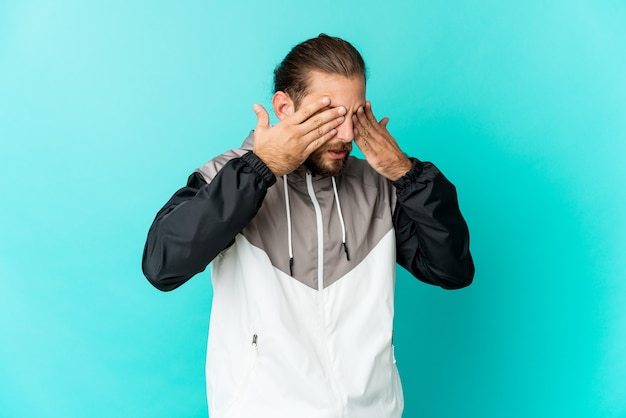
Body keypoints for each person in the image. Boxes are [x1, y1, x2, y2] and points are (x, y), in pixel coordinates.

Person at [142, 34, 474, 418]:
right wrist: (258, 170)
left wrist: (408, 175)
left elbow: (451, 271)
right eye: (329, 115)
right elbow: (162, 264)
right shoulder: (227, 178)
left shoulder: (380, 188)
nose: (348, 135)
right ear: (284, 106)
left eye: (355, 115)